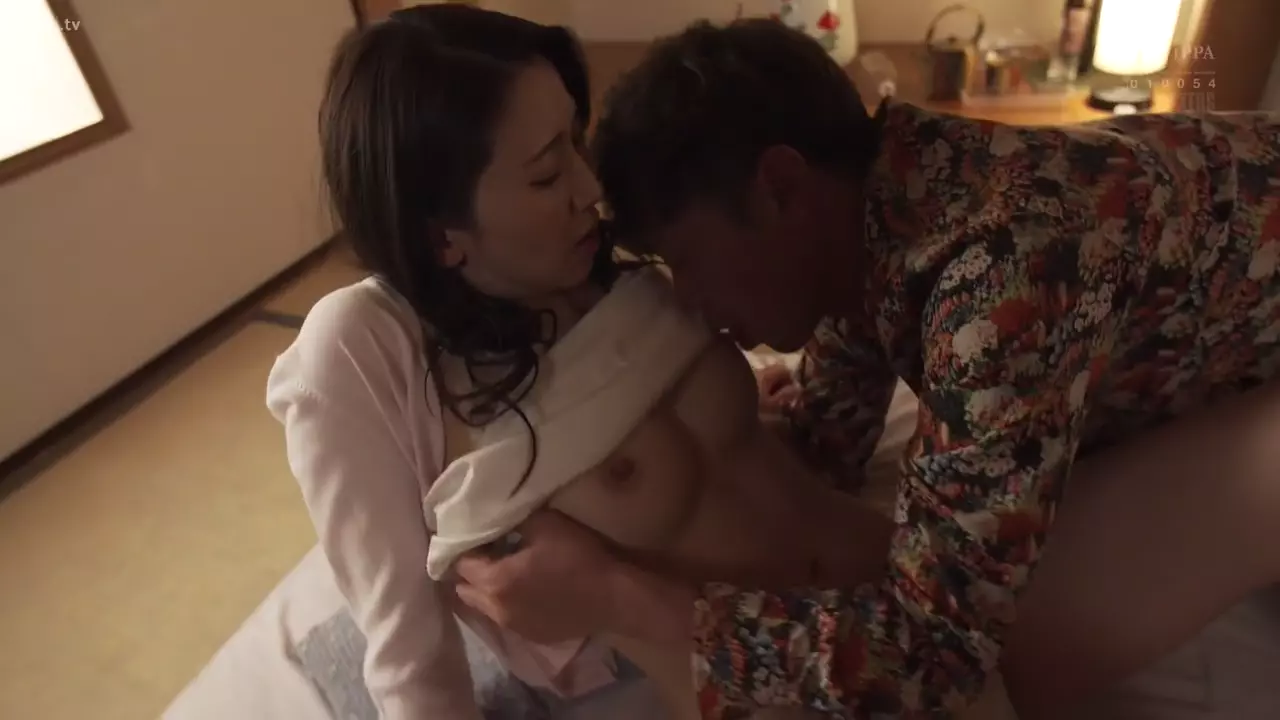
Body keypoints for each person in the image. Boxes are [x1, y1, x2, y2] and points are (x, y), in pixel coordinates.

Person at [450, 16, 1280, 719]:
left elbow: (935, 654)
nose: (692, 303)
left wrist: (617, 597)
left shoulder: (996, 281)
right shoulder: (879, 204)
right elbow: (831, 439)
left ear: (781, 186)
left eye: (690, 260)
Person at [265, 6, 889, 719]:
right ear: (441, 235)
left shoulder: (594, 265)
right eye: (544, 174)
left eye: (574, 139)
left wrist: (757, 408)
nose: (590, 188)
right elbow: (411, 655)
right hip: (780, 689)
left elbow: (704, 462)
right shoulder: (362, 345)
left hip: (897, 608)